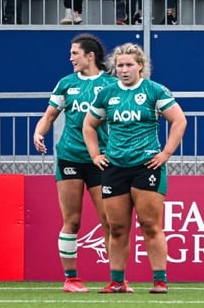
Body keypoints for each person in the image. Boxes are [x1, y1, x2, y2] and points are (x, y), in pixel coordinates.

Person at [82, 42, 187, 294]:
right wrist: (95, 155)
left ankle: (160, 280)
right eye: (120, 65)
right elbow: (88, 125)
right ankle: (117, 281)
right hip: (115, 166)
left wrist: (166, 153)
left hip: (146, 165)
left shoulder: (154, 90)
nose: (124, 70)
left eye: (129, 65)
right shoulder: (106, 93)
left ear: (141, 66)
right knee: (116, 228)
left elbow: (179, 120)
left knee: (150, 224)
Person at [32, 34, 118, 292]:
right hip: (70, 157)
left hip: (101, 159)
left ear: (89, 56)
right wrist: (39, 132)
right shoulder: (66, 84)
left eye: (74, 54)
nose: (70, 58)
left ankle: (116, 279)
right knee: (72, 220)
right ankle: (71, 278)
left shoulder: (111, 84)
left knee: (110, 222)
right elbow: (49, 115)